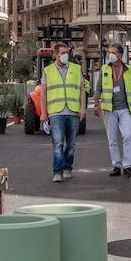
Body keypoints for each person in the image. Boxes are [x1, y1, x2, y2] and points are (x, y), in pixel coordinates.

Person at [94, 43, 131, 178]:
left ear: (120, 55)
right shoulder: (105, 68)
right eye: (109, 52)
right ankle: (116, 165)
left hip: (125, 109)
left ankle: (127, 165)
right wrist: (96, 105)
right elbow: (98, 88)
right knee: (112, 140)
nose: (110, 54)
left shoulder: (128, 69)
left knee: (127, 136)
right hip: (109, 110)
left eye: (113, 52)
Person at [40, 42, 86, 182]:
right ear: (55, 55)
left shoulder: (76, 69)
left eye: (67, 52)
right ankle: (57, 172)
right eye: (62, 53)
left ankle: (67, 168)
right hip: (56, 112)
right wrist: (43, 112)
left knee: (71, 144)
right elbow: (43, 93)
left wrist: (83, 108)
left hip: (73, 111)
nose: (65, 55)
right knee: (58, 143)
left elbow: (82, 90)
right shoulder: (48, 71)